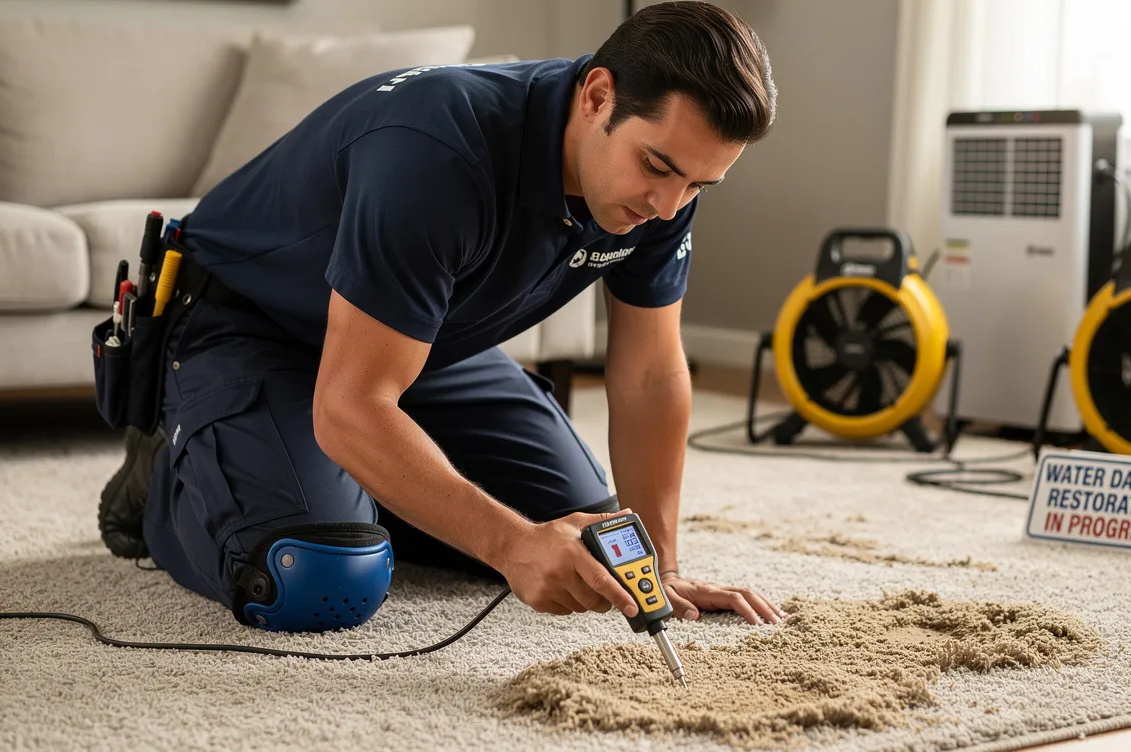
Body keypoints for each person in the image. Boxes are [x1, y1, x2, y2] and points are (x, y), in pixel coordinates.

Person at [98, 1, 782, 633]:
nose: (669, 206)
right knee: (319, 575)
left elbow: (651, 374)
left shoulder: (662, 191)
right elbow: (348, 404)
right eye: (657, 166)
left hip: (415, 342)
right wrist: (509, 544)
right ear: (597, 96)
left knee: (592, 547)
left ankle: (344, 487)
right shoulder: (437, 150)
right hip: (245, 327)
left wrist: (660, 568)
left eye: (698, 184)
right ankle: (168, 480)